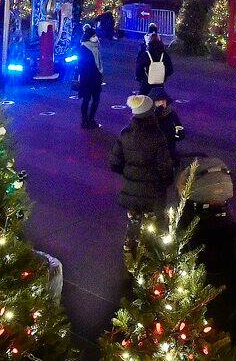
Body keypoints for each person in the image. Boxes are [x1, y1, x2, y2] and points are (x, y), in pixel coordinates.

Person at [109, 95, 174, 238]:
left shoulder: (125, 133)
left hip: (131, 190)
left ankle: (131, 246)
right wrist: (167, 181)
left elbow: (114, 163)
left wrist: (129, 172)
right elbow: (164, 167)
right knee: (155, 227)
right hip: (154, 191)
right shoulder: (157, 136)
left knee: (133, 223)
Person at [75, 24, 104, 128]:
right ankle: (85, 121)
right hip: (87, 79)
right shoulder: (84, 48)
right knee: (86, 100)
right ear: (89, 37)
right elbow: (82, 65)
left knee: (96, 100)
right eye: (93, 36)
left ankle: (91, 119)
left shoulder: (96, 47)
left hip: (96, 78)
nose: (96, 37)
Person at [136, 24, 173, 95]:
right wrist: (163, 76)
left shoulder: (146, 54)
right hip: (159, 83)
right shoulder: (164, 55)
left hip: (146, 83)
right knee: (160, 98)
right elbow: (170, 69)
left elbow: (139, 68)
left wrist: (140, 78)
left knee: (143, 99)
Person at [150, 88, 184, 165]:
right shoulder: (149, 116)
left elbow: (178, 126)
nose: (162, 102)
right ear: (153, 102)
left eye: (163, 100)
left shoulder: (172, 113)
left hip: (169, 147)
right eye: (158, 100)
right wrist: (156, 114)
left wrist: (180, 134)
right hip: (154, 152)